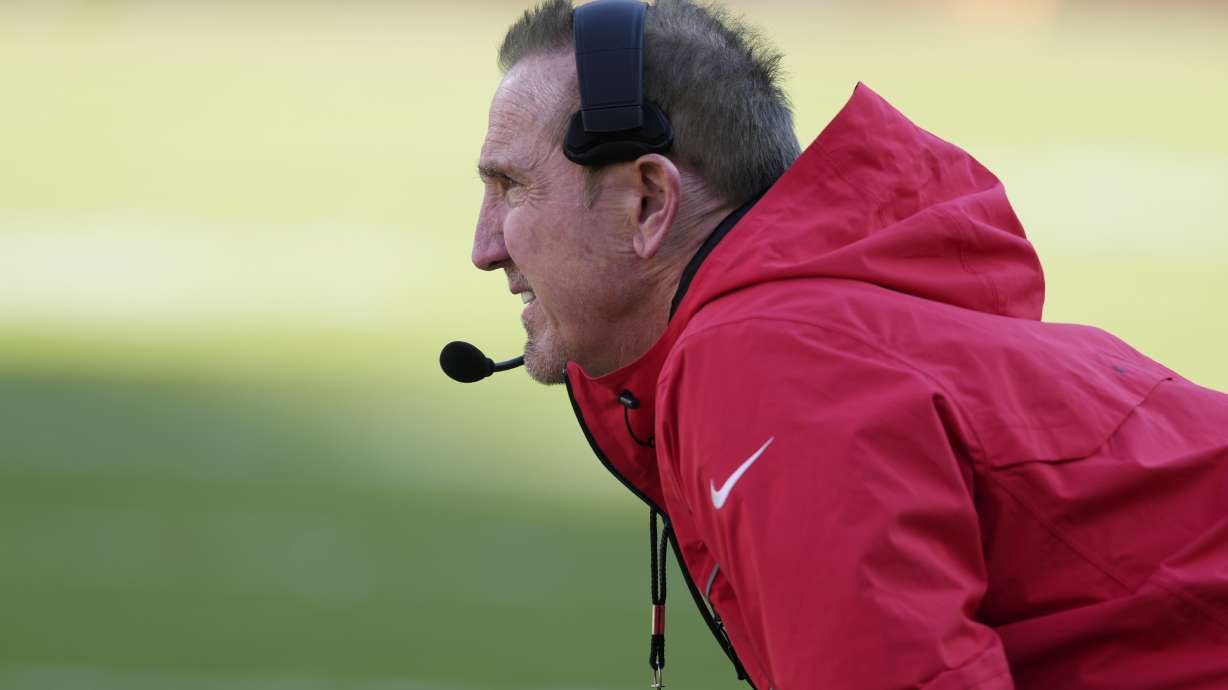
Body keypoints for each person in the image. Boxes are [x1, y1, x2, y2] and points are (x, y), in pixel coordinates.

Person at [469, 1, 1228, 688]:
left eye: (512, 188)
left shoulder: (768, 367)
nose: (484, 245)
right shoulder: (809, 330)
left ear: (649, 201)